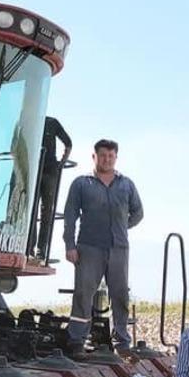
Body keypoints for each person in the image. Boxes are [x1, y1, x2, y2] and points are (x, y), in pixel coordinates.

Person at [62, 139, 143, 357]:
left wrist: (121, 227)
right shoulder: (81, 183)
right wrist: (70, 245)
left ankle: (122, 343)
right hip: (89, 248)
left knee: (120, 295)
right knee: (83, 294)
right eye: (102, 155)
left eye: (111, 156)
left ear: (115, 158)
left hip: (118, 249)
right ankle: (77, 340)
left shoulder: (126, 185)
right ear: (94, 157)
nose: (107, 159)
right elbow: (70, 216)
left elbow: (138, 213)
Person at [35, 117, 72, 256]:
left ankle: (41, 249)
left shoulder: (51, 123)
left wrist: (61, 163)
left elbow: (68, 143)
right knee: (32, 211)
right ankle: (31, 246)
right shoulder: (30, 120)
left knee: (46, 211)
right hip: (34, 171)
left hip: (49, 171)